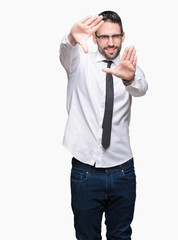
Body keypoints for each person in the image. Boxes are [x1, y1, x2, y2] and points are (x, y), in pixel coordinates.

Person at [59, 10, 148, 240]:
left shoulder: (129, 65)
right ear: (95, 38)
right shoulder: (79, 61)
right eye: (104, 37)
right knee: (86, 237)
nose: (110, 42)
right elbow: (65, 51)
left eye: (115, 36)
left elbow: (141, 88)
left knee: (121, 236)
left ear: (123, 36)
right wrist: (71, 36)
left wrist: (128, 77)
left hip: (123, 171)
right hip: (85, 171)